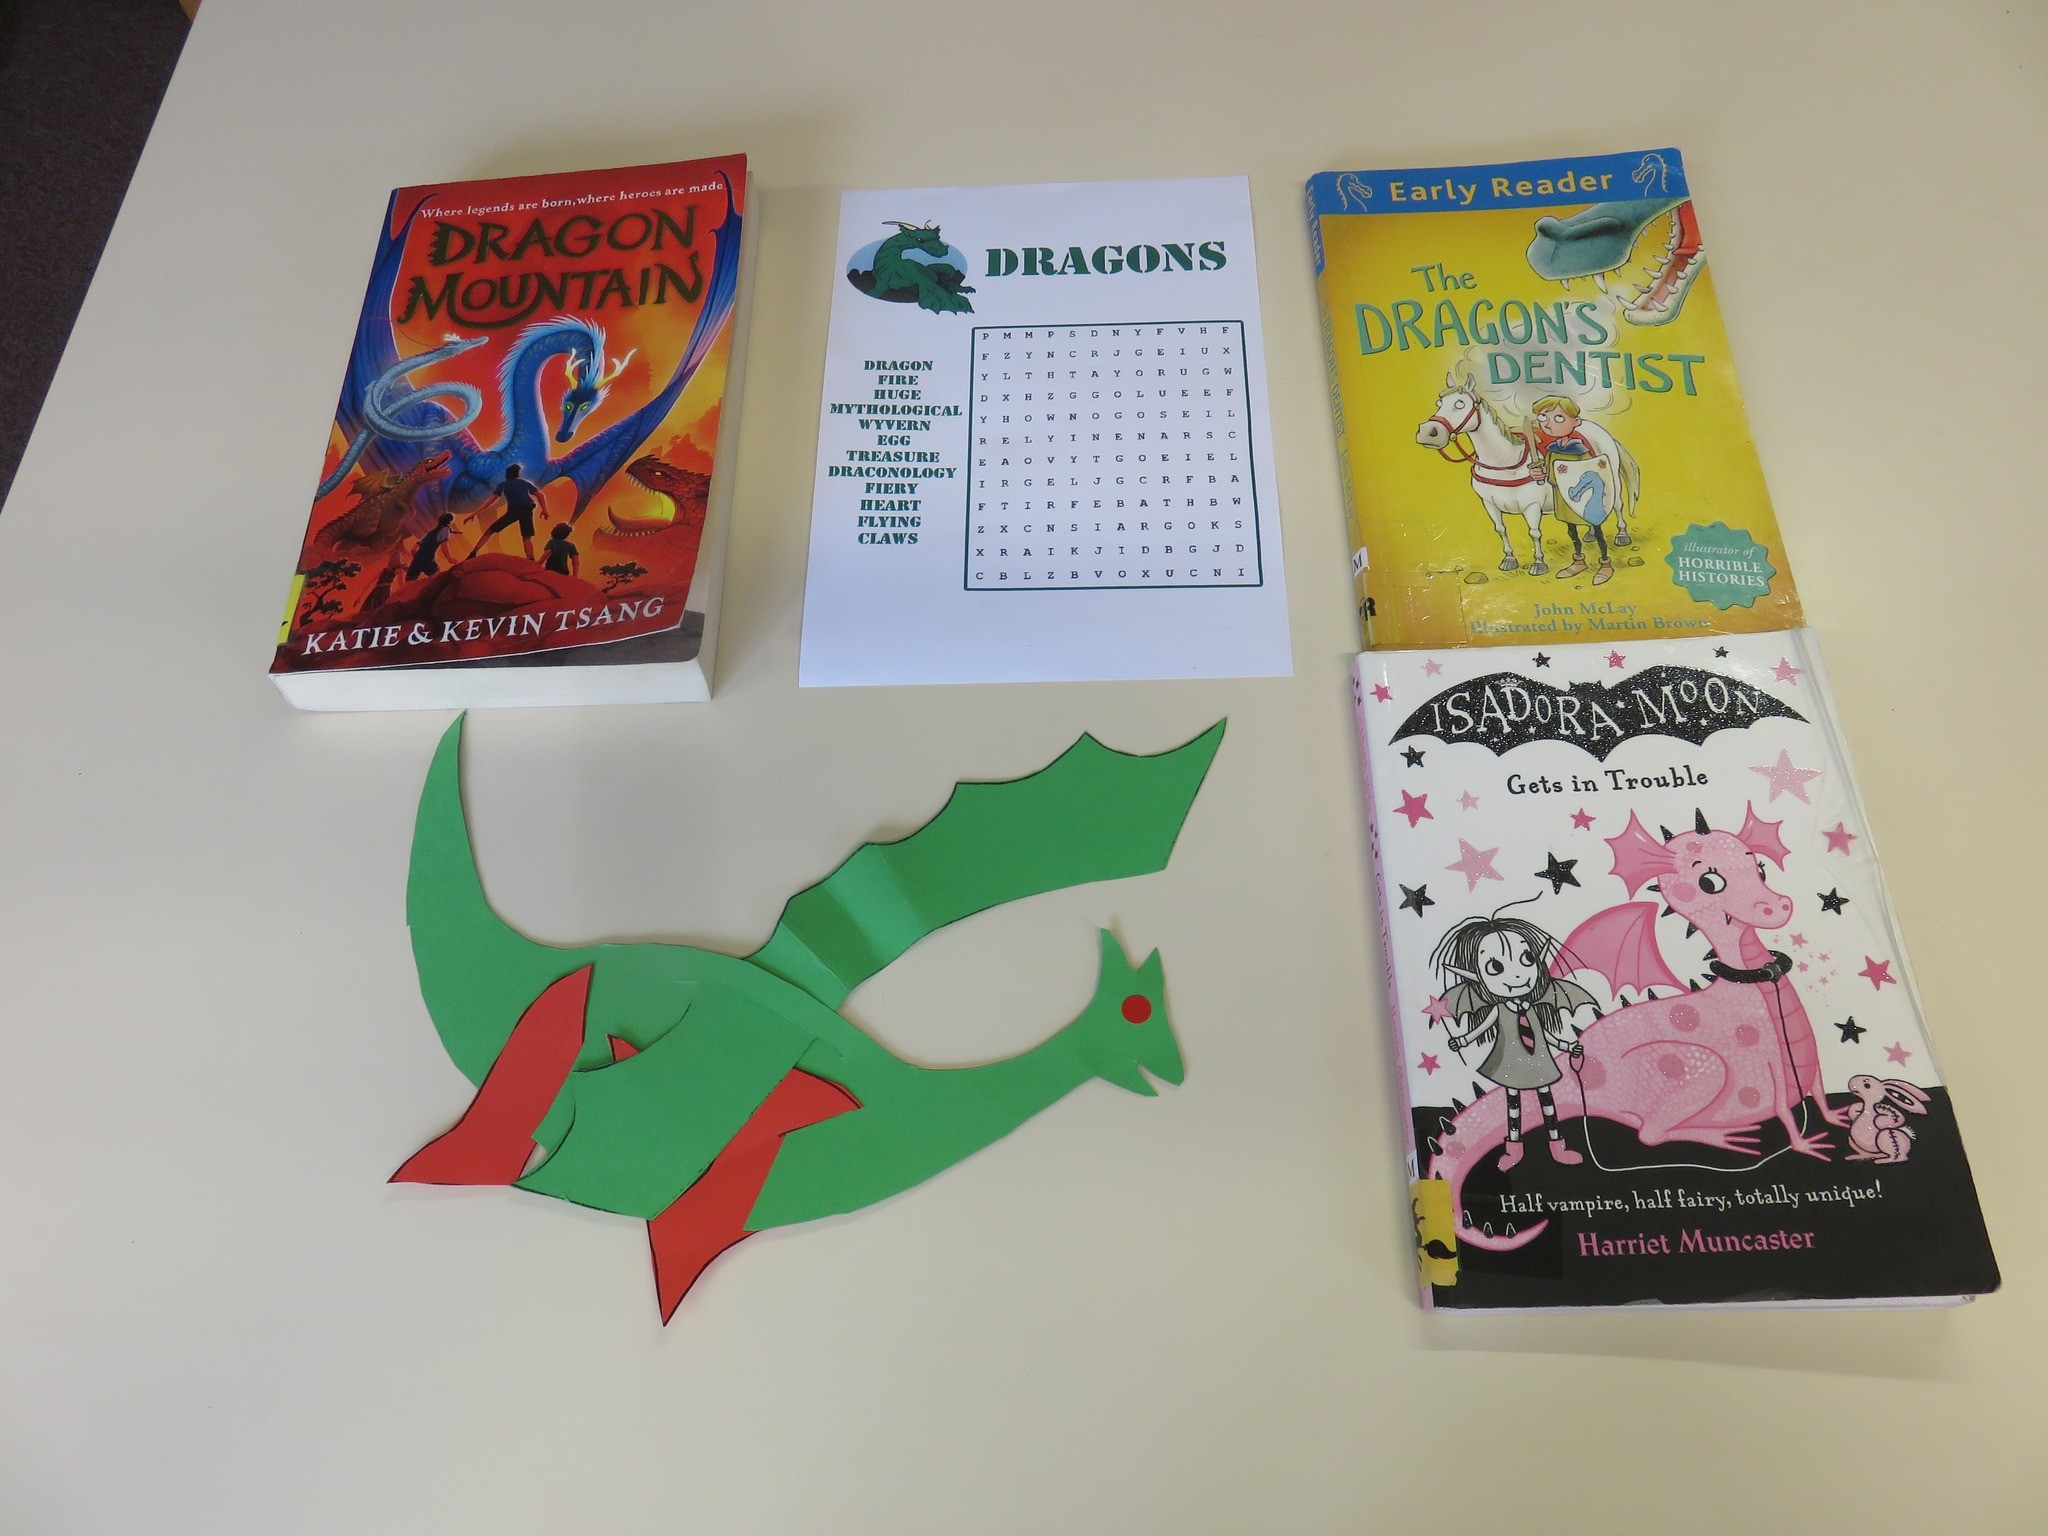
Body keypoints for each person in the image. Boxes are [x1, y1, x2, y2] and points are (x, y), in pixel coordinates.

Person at [1432, 914, 1599, 1168]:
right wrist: (1463, 1039)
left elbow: (1545, 1035)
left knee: (1548, 1103)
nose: (1518, 975)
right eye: (1495, 968)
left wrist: (1567, 1046)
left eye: (1527, 959)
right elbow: (1482, 1027)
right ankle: (1514, 1149)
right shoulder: (1500, 1009)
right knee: (1513, 1107)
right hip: (1510, 1062)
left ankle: (1558, 1147)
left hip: (1539, 1060)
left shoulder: (1533, 1006)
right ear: (1476, 976)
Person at [1528, 396, 1613, 583]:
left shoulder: (1580, 450)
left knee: (1596, 529)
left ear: (1575, 422)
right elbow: (1550, 473)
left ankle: (1605, 563)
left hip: (1586, 500)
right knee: (1572, 530)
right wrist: (1539, 473)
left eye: (1558, 418)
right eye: (1543, 417)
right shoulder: (1553, 449)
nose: (1548, 424)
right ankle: (1579, 560)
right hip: (1564, 499)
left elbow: (1592, 473)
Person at [466, 463, 547, 561]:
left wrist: (475, 513)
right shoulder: (524, 482)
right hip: (526, 509)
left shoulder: (504, 484)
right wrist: (544, 510)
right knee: (527, 536)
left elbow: (492, 499)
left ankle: (473, 552)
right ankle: (531, 558)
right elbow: (540, 495)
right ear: (518, 474)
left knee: (490, 530)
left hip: (515, 511)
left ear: (507, 474)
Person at [407, 514, 457, 581]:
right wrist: (449, 559)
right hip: (428, 560)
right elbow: (444, 546)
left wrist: (418, 559)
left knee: (408, 584)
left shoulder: (431, 532)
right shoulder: (446, 529)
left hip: (416, 562)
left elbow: (413, 550)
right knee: (439, 581)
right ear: (450, 521)